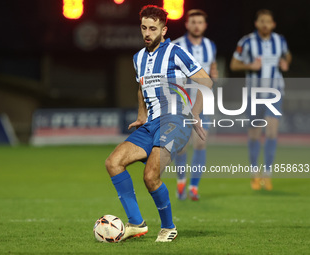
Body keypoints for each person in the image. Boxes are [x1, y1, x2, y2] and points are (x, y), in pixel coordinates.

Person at [105, 5, 212, 242]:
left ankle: (168, 227)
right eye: (144, 27)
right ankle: (136, 224)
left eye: (153, 28)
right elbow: (142, 88)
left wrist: (194, 114)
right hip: (150, 123)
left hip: (176, 121)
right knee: (113, 162)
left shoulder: (176, 52)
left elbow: (206, 81)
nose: (147, 33)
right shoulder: (138, 58)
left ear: (164, 30)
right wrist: (142, 115)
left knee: (150, 175)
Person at [230, 9, 291, 190]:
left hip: (275, 93)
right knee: (255, 135)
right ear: (256, 24)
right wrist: (250, 65)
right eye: (262, 21)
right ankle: (255, 173)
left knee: (272, 132)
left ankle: (268, 174)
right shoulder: (247, 41)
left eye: (268, 21)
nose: (265, 24)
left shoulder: (280, 41)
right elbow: (234, 64)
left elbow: (287, 55)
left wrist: (285, 62)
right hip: (254, 95)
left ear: (273, 24)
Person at [173, 9, 218, 201]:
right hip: (181, 102)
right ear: (187, 25)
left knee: (200, 143)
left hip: (203, 102)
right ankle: (181, 180)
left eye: (200, 22)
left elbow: (212, 68)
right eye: (193, 22)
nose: (196, 25)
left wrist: (214, 76)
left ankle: (194, 187)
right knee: (182, 147)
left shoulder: (210, 45)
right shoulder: (177, 46)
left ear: (205, 25)